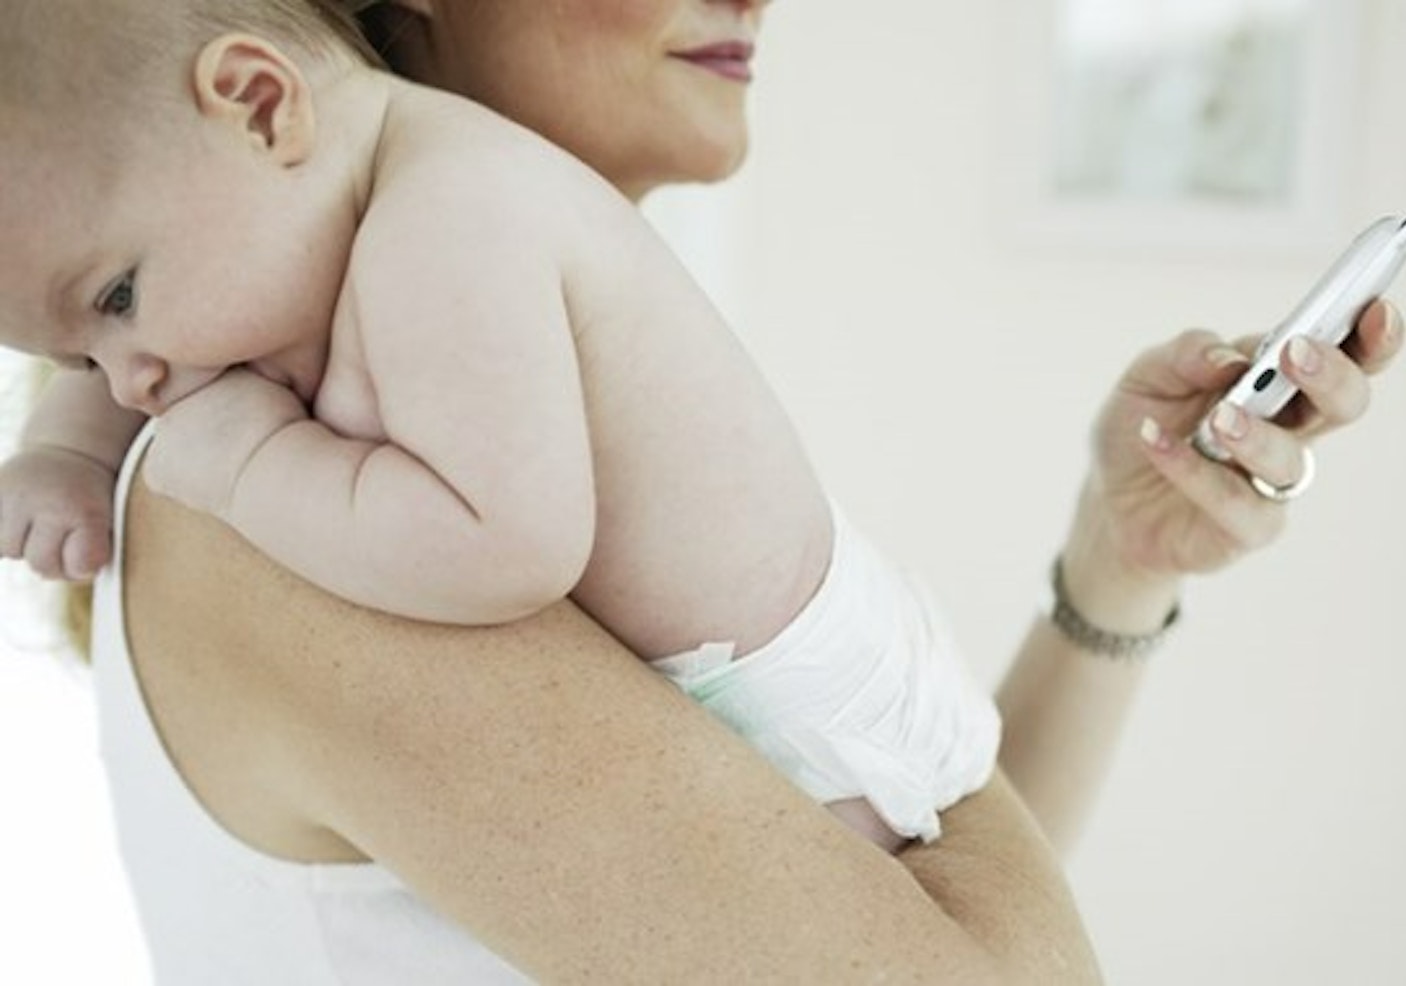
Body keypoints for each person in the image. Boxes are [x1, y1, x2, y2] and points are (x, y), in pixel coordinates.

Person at [0, 0, 1405, 981]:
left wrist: (1118, 563)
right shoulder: (298, 505)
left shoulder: (471, 398)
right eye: (95, 338)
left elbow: (879, 858)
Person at [0, 0, 1003, 855]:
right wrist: (65, 449)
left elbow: (507, 543)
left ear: (262, 107)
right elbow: (132, 283)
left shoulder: (450, 214)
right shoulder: (291, 209)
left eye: (120, 300)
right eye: (82, 354)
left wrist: (257, 464)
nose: (133, 388)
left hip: (818, 739)